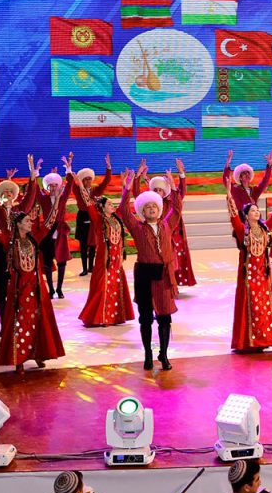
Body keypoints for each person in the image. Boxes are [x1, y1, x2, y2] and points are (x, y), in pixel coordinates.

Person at [0, 190, 65, 373]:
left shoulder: (35, 238)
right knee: (20, 321)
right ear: (18, 224)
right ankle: (19, 357)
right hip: (19, 288)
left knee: (39, 319)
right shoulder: (9, 241)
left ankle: (38, 354)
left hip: (37, 287)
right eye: (27, 221)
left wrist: (57, 201)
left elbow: (49, 222)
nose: (30, 223)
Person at [118, 169, 180, 371]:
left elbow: (177, 209)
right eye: (147, 207)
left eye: (154, 206)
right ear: (142, 212)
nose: (152, 209)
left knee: (165, 317)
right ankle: (148, 354)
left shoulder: (167, 224)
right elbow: (124, 211)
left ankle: (164, 354)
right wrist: (127, 188)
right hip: (145, 276)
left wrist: (172, 187)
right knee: (145, 318)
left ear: (159, 209)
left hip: (163, 277)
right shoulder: (137, 228)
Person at [225, 175, 272, 352]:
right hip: (247, 277)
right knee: (249, 306)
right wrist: (229, 195)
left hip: (263, 275)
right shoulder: (242, 230)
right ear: (246, 215)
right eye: (253, 210)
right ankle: (248, 341)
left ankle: (264, 338)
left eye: (257, 210)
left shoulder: (265, 229)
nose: (257, 212)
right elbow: (233, 215)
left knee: (263, 305)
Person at [72, 159, 133, 328]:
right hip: (104, 260)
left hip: (116, 260)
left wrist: (126, 187)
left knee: (115, 286)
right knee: (101, 287)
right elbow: (88, 202)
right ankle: (98, 316)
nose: (112, 206)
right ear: (102, 207)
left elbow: (124, 204)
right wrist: (80, 185)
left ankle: (115, 316)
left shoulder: (116, 218)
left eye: (112, 204)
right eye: (109, 204)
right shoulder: (98, 220)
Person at [0, 155, 39, 323]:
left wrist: (31, 169)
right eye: (4, 192)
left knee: (17, 285)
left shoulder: (19, 209)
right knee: (1, 286)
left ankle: (19, 318)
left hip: (17, 250)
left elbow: (31, 194)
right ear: (0, 196)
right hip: (0, 250)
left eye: (10, 192)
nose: (7, 194)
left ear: (14, 195)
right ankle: (4, 323)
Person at [133, 158, 197, 286]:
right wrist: (138, 175)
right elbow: (137, 194)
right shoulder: (149, 204)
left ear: (164, 191)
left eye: (160, 190)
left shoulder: (170, 202)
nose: (158, 192)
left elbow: (181, 194)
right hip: (153, 238)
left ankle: (171, 286)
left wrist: (181, 174)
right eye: (155, 190)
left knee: (171, 262)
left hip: (169, 237)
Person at [36, 162, 74, 299]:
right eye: (50, 186)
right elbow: (35, 189)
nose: (53, 188)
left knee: (62, 262)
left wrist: (68, 169)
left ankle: (59, 289)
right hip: (47, 235)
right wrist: (35, 173)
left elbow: (69, 186)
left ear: (58, 186)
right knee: (47, 262)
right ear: (47, 187)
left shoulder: (62, 199)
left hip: (60, 235)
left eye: (55, 185)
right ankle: (51, 290)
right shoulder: (44, 199)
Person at [73, 156, 112, 278]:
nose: (88, 181)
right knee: (83, 245)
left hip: (93, 218)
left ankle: (91, 267)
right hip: (82, 218)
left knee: (93, 245)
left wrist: (108, 167)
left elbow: (105, 182)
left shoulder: (95, 191)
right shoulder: (78, 191)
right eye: (85, 179)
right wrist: (69, 169)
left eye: (90, 179)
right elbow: (72, 185)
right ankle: (84, 269)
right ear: (82, 181)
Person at [223, 149, 272, 213]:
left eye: (248, 173)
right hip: (242, 217)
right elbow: (226, 180)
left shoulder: (254, 190)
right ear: (240, 178)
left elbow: (265, 181)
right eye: (244, 173)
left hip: (255, 217)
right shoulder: (235, 190)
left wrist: (269, 166)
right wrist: (228, 162)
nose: (247, 175)